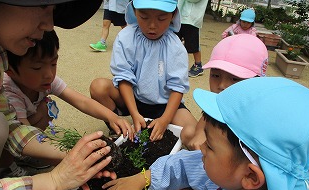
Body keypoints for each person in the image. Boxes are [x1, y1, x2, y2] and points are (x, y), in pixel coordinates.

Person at [76, 77, 309, 190]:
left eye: (209, 145)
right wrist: (145, 177)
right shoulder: (264, 181)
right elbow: (190, 165)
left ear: (251, 176)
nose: (200, 146)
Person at [0, 0, 115, 190]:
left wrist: (73, 156)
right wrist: (52, 181)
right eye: (42, 5)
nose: (50, 23)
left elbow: (9, 125)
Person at [90, 0, 197, 142]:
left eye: (161, 18)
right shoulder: (126, 37)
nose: (152, 25)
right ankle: (118, 129)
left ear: (173, 14)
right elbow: (124, 77)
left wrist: (165, 120)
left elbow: (177, 87)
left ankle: (159, 123)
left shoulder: (175, 47)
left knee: (193, 133)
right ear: (134, 11)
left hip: (164, 104)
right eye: (144, 17)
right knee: (98, 87)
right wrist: (134, 113)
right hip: (133, 98)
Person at [181, 34, 268, 150]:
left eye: (235, 79)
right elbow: (206, 117)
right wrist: (199, 134)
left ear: (257, 81)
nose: (221, 85)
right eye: (216, 75)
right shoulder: (218, 100)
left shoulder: (258, 112)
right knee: (188, 132)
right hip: (216, 146)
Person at [176, 0, 208, 78]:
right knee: (174, 41)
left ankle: (198, 65)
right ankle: (173, 63)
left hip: (191, 19)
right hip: (180, 17)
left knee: (193, 43)